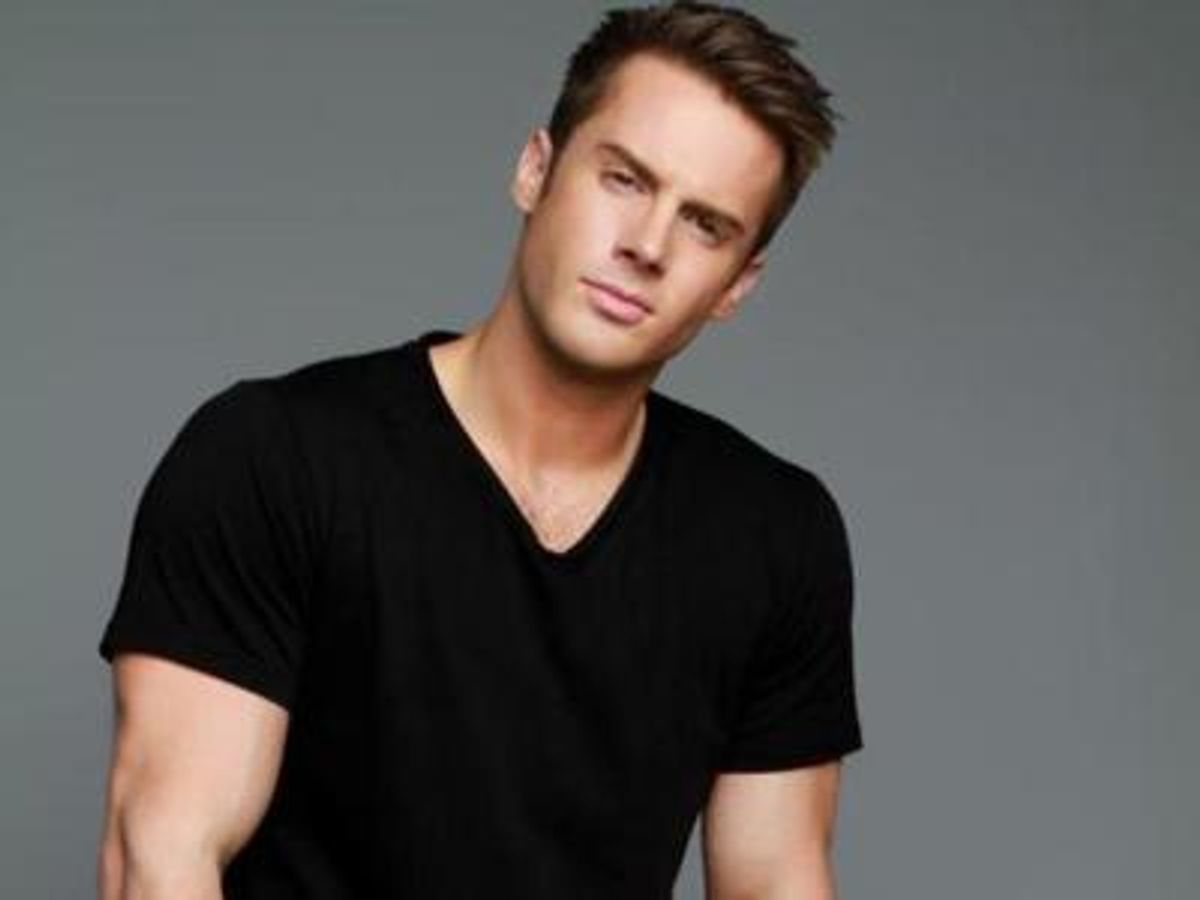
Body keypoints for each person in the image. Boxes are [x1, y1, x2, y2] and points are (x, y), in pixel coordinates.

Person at [96, 2, 864, 897]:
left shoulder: (773, 535)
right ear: (537, 169)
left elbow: (774, 880)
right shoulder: (274, 457)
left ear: (738, 284)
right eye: (624, 179)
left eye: (706, 225)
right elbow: (162, 850)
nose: (648, 246)